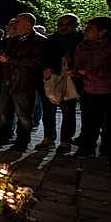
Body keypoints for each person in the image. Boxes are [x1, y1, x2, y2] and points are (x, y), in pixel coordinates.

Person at [72, 17, 111, 168]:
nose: (85, 31)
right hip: (91, 90)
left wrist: (89, 72)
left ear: (103, 32)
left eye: (90, 29)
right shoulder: (83, 45)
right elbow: (78, 64)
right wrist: (74, 71)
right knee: (90, 122)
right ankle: (87, 149)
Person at [0, 13, 47, 151]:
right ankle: (4, 135)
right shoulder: (14, 40)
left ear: (28, 24)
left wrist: (10, 60)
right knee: (4, 111)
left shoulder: (40, 41)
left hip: (24, 82)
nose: (14, 24)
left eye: (18, 22)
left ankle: (22, 141)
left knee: (23, 114)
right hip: (8, 80)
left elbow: (36, 62)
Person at [36, 13, 84, 153]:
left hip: (73, 78)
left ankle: (65, 141)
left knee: (68, 111)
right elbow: (43, 56)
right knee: (48, 110)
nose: (63, 27)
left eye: (67, 24)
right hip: (53, 77)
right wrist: (46, 67)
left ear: (76, 24)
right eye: (60, 24)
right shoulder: (51, 39)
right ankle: (48, 138)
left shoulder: (82, 39)